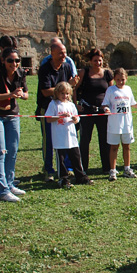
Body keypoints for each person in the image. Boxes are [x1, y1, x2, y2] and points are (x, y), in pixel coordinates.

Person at [0, 48, 29, 202]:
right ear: (3, 60)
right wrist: (10, 95)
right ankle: (2, 190)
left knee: (13, 150)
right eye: (10, 60)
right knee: (0, 152)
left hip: (13, 115)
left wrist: (22, 94)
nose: (14, 64)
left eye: (17, 60)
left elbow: (26, 94)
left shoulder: (21, 73)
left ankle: (10, 183)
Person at [37, 41, 79, 182]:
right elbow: (45, 91)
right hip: (50, 108)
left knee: (67, 139)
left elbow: (70, 90)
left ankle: (67, 169)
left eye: (65, 53)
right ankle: (49, 170)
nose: (64, 56)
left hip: (66, 109)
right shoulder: (45, 69)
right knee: (49, 141)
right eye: (61, 53)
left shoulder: (66, 66)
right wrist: (66, 87)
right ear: (52, 53)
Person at [102, 68, 137, 181]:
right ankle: (112, 170)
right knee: (114, 147)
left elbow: (133, 103)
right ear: (115, 79)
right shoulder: (110, 90)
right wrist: (106, 109)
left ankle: (127, 169)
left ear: (126, 79)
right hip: (114, 124)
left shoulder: (128, 89)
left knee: (127, 146)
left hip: (127, 124)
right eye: (118, 79)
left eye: (123, 79)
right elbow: (105, 104)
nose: (120, 82)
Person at [45, 82, 93, 188]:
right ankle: (63, 178)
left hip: (71, 137)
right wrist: (59, 116)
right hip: (59, 137)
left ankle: (80, 176)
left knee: (76, 157)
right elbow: (48, 119)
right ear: (57, 93)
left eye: (67, 93)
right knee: (61, 159)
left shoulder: (71, 105)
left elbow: (77, 118)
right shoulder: (54, 104)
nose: (65, 96)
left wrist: (76, 119)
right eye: (62, 93)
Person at [74, 48, 114, 173]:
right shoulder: (83, 72)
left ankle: (107, 167)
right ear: (90, 61)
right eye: (95, 61)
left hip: (102, 111)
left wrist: (111, 107)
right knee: (85, 140)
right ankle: (83, 168)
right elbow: (74, 88)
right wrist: (75, 105)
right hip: (87, 110)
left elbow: (112, 91)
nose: (98, 63)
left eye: (100, 60)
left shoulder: (107, 73)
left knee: (104, 139)